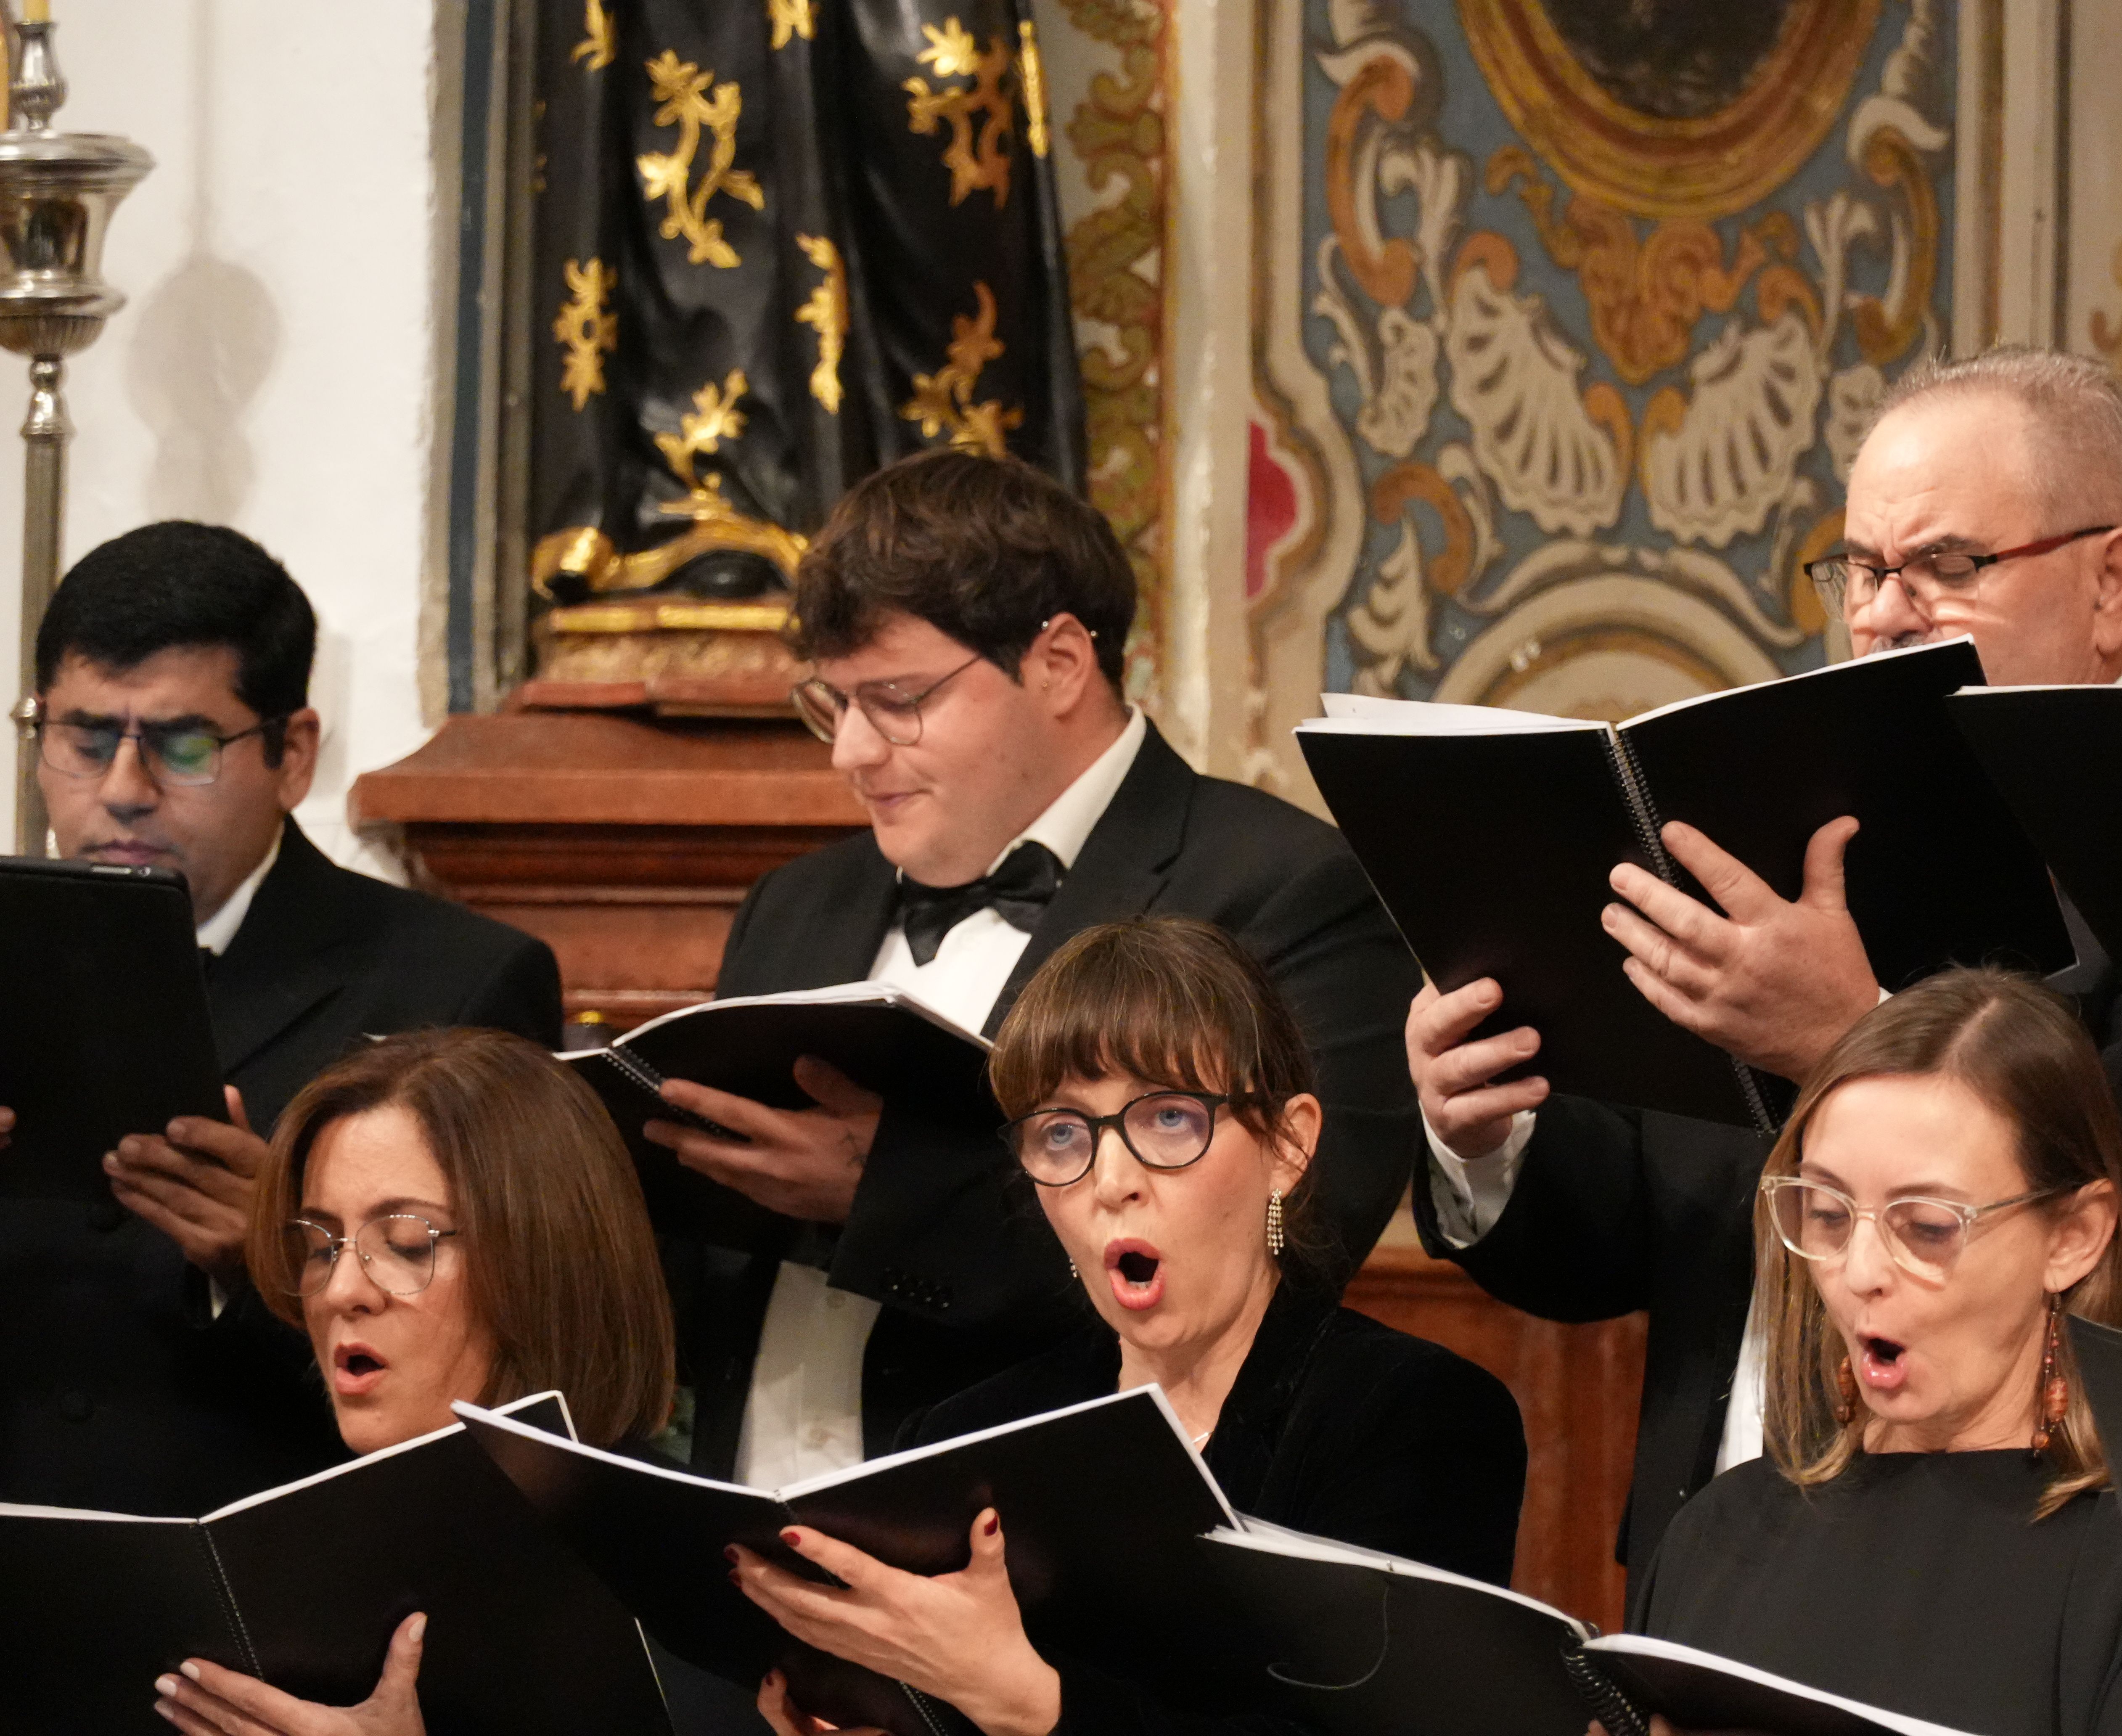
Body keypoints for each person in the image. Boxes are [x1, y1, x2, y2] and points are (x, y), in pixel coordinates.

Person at [1405, 347, 2122, 1583]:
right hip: (1719, 1573)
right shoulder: (1786, 828)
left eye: (1946, 566)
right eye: (1860, 568)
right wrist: (1484, 1136)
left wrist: (1853, 1047)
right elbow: (1622, 1240)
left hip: (2036, 1595)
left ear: (2113, 585)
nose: (1881, 613)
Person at [646, 452, 1422, 1487]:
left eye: (898, 699)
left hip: (1053, 1551)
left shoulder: (1286, 889)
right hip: (748, 1519)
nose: (851, 755)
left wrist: (884, 1194)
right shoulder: (796, 906)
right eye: (832, 705)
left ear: (1058, 663)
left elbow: (1294, 1249)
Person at [726, 916, 1527, 1736]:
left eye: (1169, 1120)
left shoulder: (1419, 1418)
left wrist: (1030, 1706)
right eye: (1064, 1135)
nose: (1111, 1182)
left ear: (1289, 1145)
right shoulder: (965, 1436)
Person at [0, 522, 563, 1517]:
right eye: (85, 740)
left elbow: (518, 1385)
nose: (123, 793)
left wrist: (280, 1263)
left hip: (270, 1597)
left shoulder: (458, 985)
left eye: (183, 747)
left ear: (292, 754)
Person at [1635, 969, 2122, 1736]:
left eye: (1925, 1227)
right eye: (1825, 1213)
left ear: (2074, 1236)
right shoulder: (1720, 1534)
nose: (1859, 1274)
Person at [146, 1027, 674, 1736]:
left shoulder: (679, 1564)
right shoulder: (296, 1558)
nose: (341, 1292)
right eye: (319, 1247)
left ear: (546, 1260)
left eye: (407, 1244)